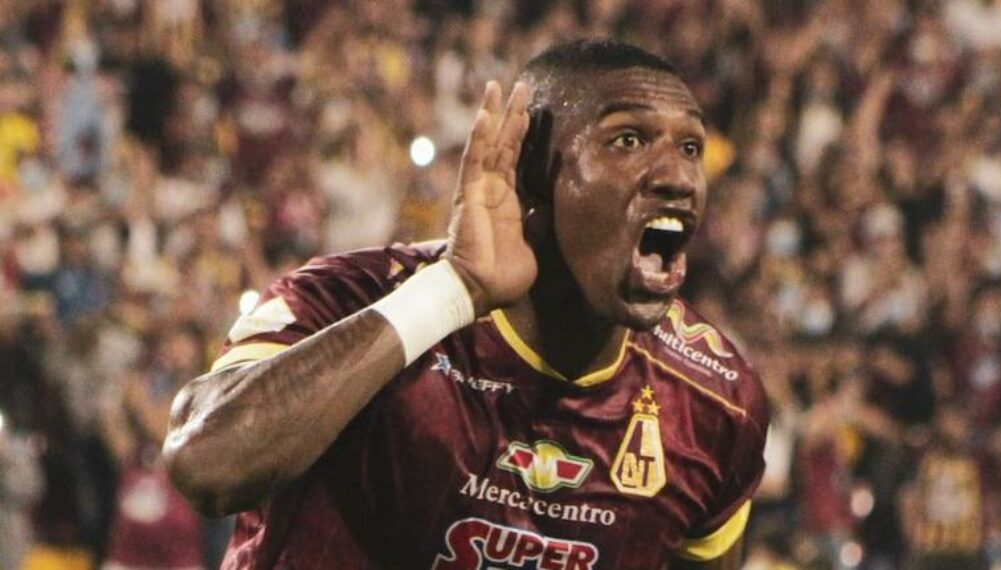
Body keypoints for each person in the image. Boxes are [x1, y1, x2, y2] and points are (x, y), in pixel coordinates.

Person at [163, 39, 769, 569]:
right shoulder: (350, 299)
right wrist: (455, 289)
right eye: (628, 140)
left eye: (691, 148)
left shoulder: (714, 401)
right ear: (532, 172)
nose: (677, 176)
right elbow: (207, 465)